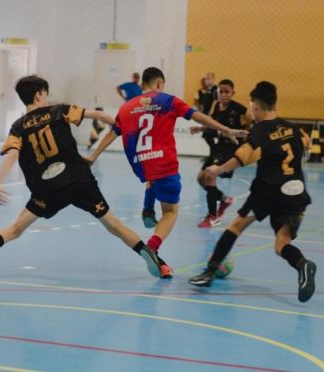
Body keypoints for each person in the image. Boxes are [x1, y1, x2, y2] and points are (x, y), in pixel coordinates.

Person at [0, 75, 168, 278]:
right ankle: (156, 260)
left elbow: (12, 153)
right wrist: (120, 126)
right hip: (78, 179)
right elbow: (97, 115)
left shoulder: (18, 126)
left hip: (47, 189)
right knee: (113, 225)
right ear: (39, 95)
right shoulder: (59, 110)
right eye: (46, 94)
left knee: (15, 229)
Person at [86, 67, 247, 275]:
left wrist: (93, 155)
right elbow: (197, 117)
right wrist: (225, 129)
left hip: (142, 163)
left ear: (143, 85)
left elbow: (113, 132)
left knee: (152, 179)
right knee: (171, 212)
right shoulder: (167, 100)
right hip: (165, 164)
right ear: (160, 83)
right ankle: (151, 247)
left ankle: (147, 208)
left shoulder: (127, 108)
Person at [189, 81, 317, 303]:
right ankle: (303, 265)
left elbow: (243, 156)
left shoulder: (260, 131)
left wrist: (218, 169)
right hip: (296, 193)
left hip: (268, 190)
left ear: (256, 107)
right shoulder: (293, 128)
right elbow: (307, 142)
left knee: (236, 226)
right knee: (282, 243)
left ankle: (209, 272)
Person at [190, 79, 253, 228]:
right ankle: (224, 199)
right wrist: (199, 129)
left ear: (232, 93)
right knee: (200, 179)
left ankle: (212, 217)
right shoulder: (216, 106)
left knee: (210, 175)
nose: (223, 94)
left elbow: (250, 124)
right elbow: (213, 124)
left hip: (232, 149)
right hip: (219, 147)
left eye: (227, 92)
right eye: (221, 91)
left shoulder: (239, 109)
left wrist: (247, 138)